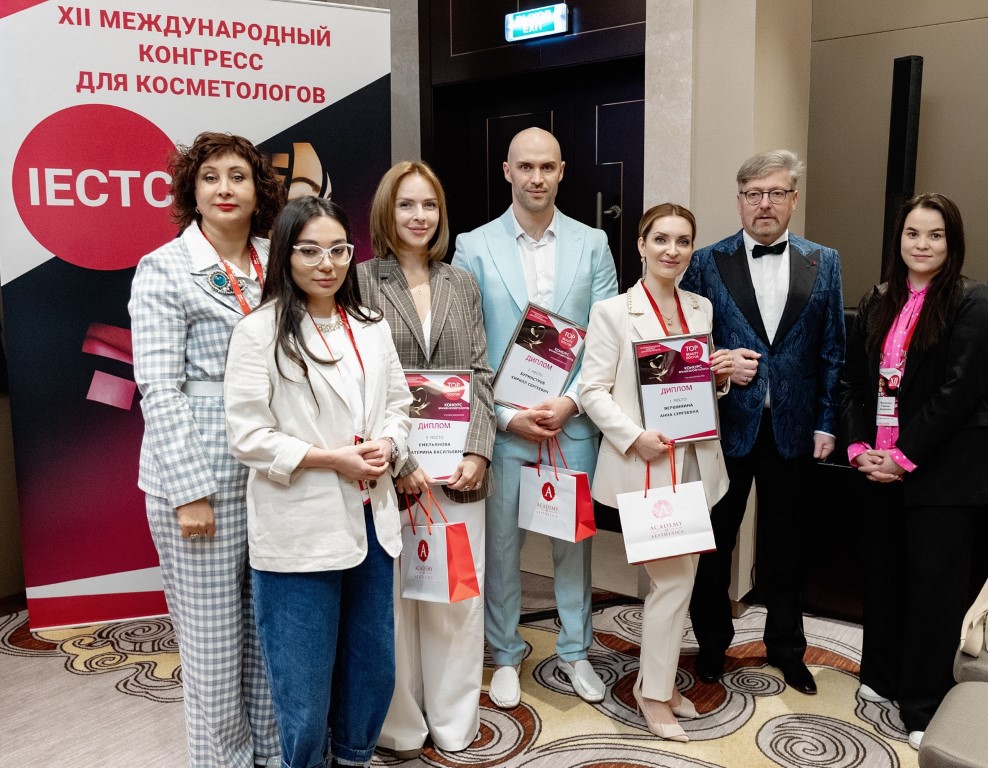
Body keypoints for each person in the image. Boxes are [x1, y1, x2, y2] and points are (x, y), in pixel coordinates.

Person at [224, 196, 412, 768]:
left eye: (338, 250)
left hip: (371, 519)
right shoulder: (258, 331)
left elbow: (400, 404)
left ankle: (354, 757)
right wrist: (332, 459)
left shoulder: (370, 325)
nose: (326, 264)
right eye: (309, 251)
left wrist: (390, 444)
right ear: (285, 254)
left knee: (371, 663)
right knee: (302, 678)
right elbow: (248, 436)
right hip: (300, 526)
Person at [129, 131, 285, 767]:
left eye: (238, 176)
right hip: (201, 474)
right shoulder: (164, 267)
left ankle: (273, 753)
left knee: (268, 632)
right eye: (211, 177)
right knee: (214, 644)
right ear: (191, 192)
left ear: (258, 190)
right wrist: (189, 491)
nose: (225, 188)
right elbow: (158, 389)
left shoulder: (278, 259)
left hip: (273, 468)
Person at [452, 127, 618, 709]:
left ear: (562, 171)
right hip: (505, 428)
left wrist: (571, 402)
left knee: (574, 543)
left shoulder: (593, 243)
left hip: (571, 422)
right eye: (526, 167)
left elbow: (606, 335)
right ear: (507, 171)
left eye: (547, 166)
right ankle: (505, 652)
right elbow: (467, 343)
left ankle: (575, 649)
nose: (537, 177)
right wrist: (502, 417)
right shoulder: (473, 246)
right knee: (501, 547)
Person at [680, 149, 845, 696]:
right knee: (714, 544)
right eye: (754, 194)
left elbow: (832, 351)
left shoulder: (825, 261)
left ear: (793, 199)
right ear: (740, 201)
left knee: (786, 547)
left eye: (776, 193)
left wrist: (826, 422)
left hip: (794, 430)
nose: (765, 204)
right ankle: (711, 644)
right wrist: (719, 363)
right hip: (725, 428)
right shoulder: (707, 261)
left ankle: (787, 649)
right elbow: (686, 347)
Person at [579, 203, 733, 741]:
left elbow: (694, 385)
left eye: (683, 241)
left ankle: (658, 682)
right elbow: (591, 390)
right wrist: (633, 436)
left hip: (694, 464)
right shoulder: (613, 312)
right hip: (643, 466)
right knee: (673, 581)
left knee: (680, 578)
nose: (673, 250)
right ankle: (653, 694)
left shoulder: (700, 308)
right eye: (661, 239)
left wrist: (717, 379)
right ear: (640, 245)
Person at [357, 161, 495, 758]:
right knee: (395, 601)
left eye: (430, 205)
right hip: (392, 472)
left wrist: (479, 449)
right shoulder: (359, 281)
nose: (420, 216)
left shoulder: (461, 282)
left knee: (456, 596)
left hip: (460, 471)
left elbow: (481, 372)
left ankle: (454, 720)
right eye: (407, 205)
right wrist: (400, 459)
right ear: (386, 212)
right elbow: (360, 383)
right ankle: (402, 724)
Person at [841, 193, 988, 751]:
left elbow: (960, 392)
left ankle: (924, 702)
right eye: (912, 233)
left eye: (935, 235)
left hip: (941, 472)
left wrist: (903, 455)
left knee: (933, 590)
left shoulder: (972, 302)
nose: (921, 244)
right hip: (874, 464)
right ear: (898, 239)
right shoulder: (878, 299)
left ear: (952, 242)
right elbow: (853, 382)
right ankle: (881, 675)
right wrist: (859, 447)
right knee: (882, 575)